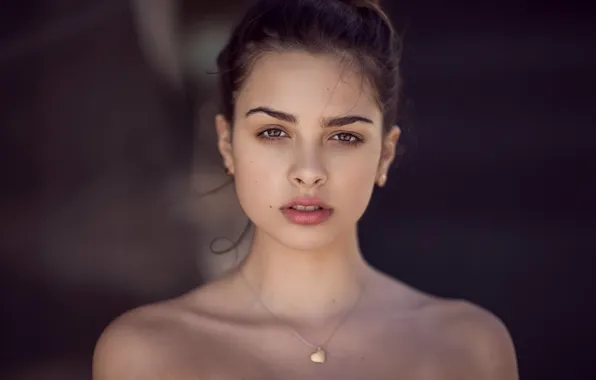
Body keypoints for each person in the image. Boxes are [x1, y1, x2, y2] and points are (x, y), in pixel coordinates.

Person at [93, 0, 519, 378]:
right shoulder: (146, 354)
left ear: (385, 154)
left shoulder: (468, 347)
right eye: (274, 132)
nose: (308, 172)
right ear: (227, 143)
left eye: (344, 137)